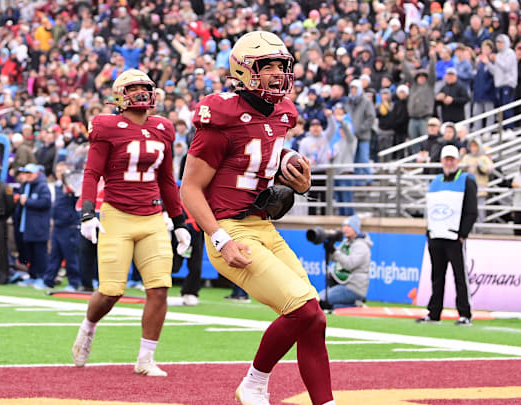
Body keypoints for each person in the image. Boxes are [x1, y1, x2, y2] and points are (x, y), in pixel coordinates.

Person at [180, 31, 335, 405]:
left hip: (263, 224)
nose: (279, 74)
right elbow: (189, 188)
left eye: (282, 66)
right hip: (229, 227)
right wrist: (219, 238)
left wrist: (292, 170)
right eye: (268, 66)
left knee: (315, 319)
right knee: (302, 308)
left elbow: (264, 151)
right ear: (245, 70)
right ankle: (253, 382)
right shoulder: (222, 114)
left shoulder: (283, 113)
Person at [71, 69, 192, 377]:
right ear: (119, 95)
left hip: (152, 217)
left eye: (145, 87)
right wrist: (87, 212)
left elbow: (166, 179)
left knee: (160, 289)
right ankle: (88, 327)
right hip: (117, 215)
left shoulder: (163, 127)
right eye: (133, 87)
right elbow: (91, 173)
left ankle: (146, 358)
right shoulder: (106, 125)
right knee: (111, 291)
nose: (140, 92)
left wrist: (178, 220)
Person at [418, 145, 477, 325]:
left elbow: (471, 210)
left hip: (454, 237)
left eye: (452, 159)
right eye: (446, 159)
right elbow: (432, 209)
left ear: (458, 161)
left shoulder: (466, 180)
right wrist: (429, 232)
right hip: (437, 236)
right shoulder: (436, 181)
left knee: (459, 276)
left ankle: (465, 313)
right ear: (442, 161)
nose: (449, 162)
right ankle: (434, 312)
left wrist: (462, 233)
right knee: (437, 276)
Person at [39, 162, 81, 290]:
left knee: (70, 256)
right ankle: (48, 281)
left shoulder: (74, 186)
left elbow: (77, 199)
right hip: (57, 225)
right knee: (54, 255)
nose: (60, 173)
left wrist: (71, 188)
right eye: (57, 171)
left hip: (69, 226)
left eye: (62, 171)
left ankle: (74, 283)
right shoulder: (56, 186)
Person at [319, 215, 372, 310]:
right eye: (344, 226)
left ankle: (355, 305)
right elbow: (334, 258)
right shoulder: (346, 242)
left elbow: (349, 264)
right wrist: (330, 247)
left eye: (349, 226)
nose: (345, 229)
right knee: (319, 300)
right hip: (342, 284)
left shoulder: (361, 246)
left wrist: (334, 251)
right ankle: (353, 304)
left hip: (354, 287)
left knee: (322, 301)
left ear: (356, 229)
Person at [16, 163, 51, 287]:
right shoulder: (26, 186)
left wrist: (28, 202)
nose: (28, 176)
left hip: (38, 228)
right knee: (30, 254)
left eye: (30, 173)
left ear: (37, 173)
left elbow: (46, 203)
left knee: (40, 254)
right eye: (26, 173)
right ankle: (32, 276)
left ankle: (43, 277)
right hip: (26, 227)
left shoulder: (42, 186)